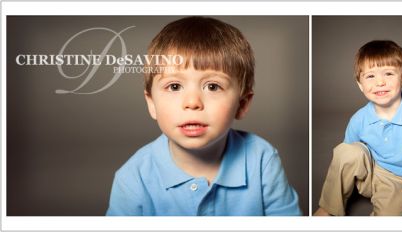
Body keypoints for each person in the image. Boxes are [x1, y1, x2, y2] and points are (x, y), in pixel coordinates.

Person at [106, 16, 301, 216]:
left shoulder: (262, 160)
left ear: (242, 104)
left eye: (212, 86)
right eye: (174, 86)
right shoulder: (133, 178)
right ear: (152, 103)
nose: (192, 102)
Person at [315, 40, 402, 216]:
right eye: (370, 76)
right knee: (346, 151)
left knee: (390, 215)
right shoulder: (358, 119)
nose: (380, 82)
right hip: (369, 175)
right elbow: (345, 160)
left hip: (400, 181)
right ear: (360, 84)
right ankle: (329, 207)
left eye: (388, 74)